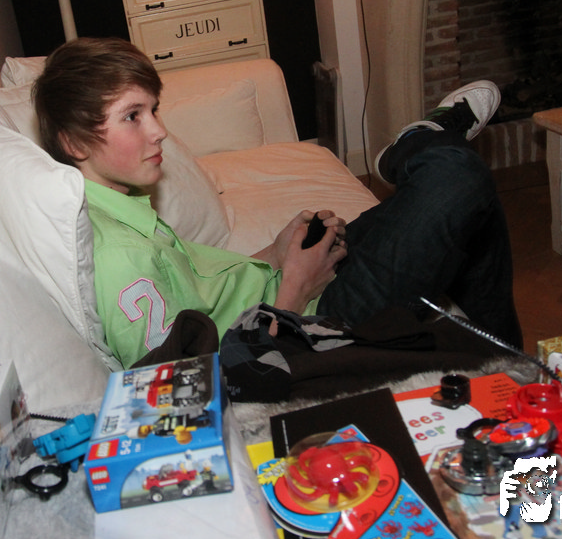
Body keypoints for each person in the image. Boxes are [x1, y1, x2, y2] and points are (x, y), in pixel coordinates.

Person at [32, 37, 521, 370]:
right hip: (308, 327)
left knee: (467, 210)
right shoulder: (118, 258)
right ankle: (416, 143)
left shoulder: (121, 203)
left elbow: (205, 294)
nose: (159, 130)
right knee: (455, 179)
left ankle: (509, 364)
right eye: (132, 116)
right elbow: (193, 391)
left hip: (286, 293)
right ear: (74, 142)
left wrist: (275, 252)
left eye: (153, 110)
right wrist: (295, 288)